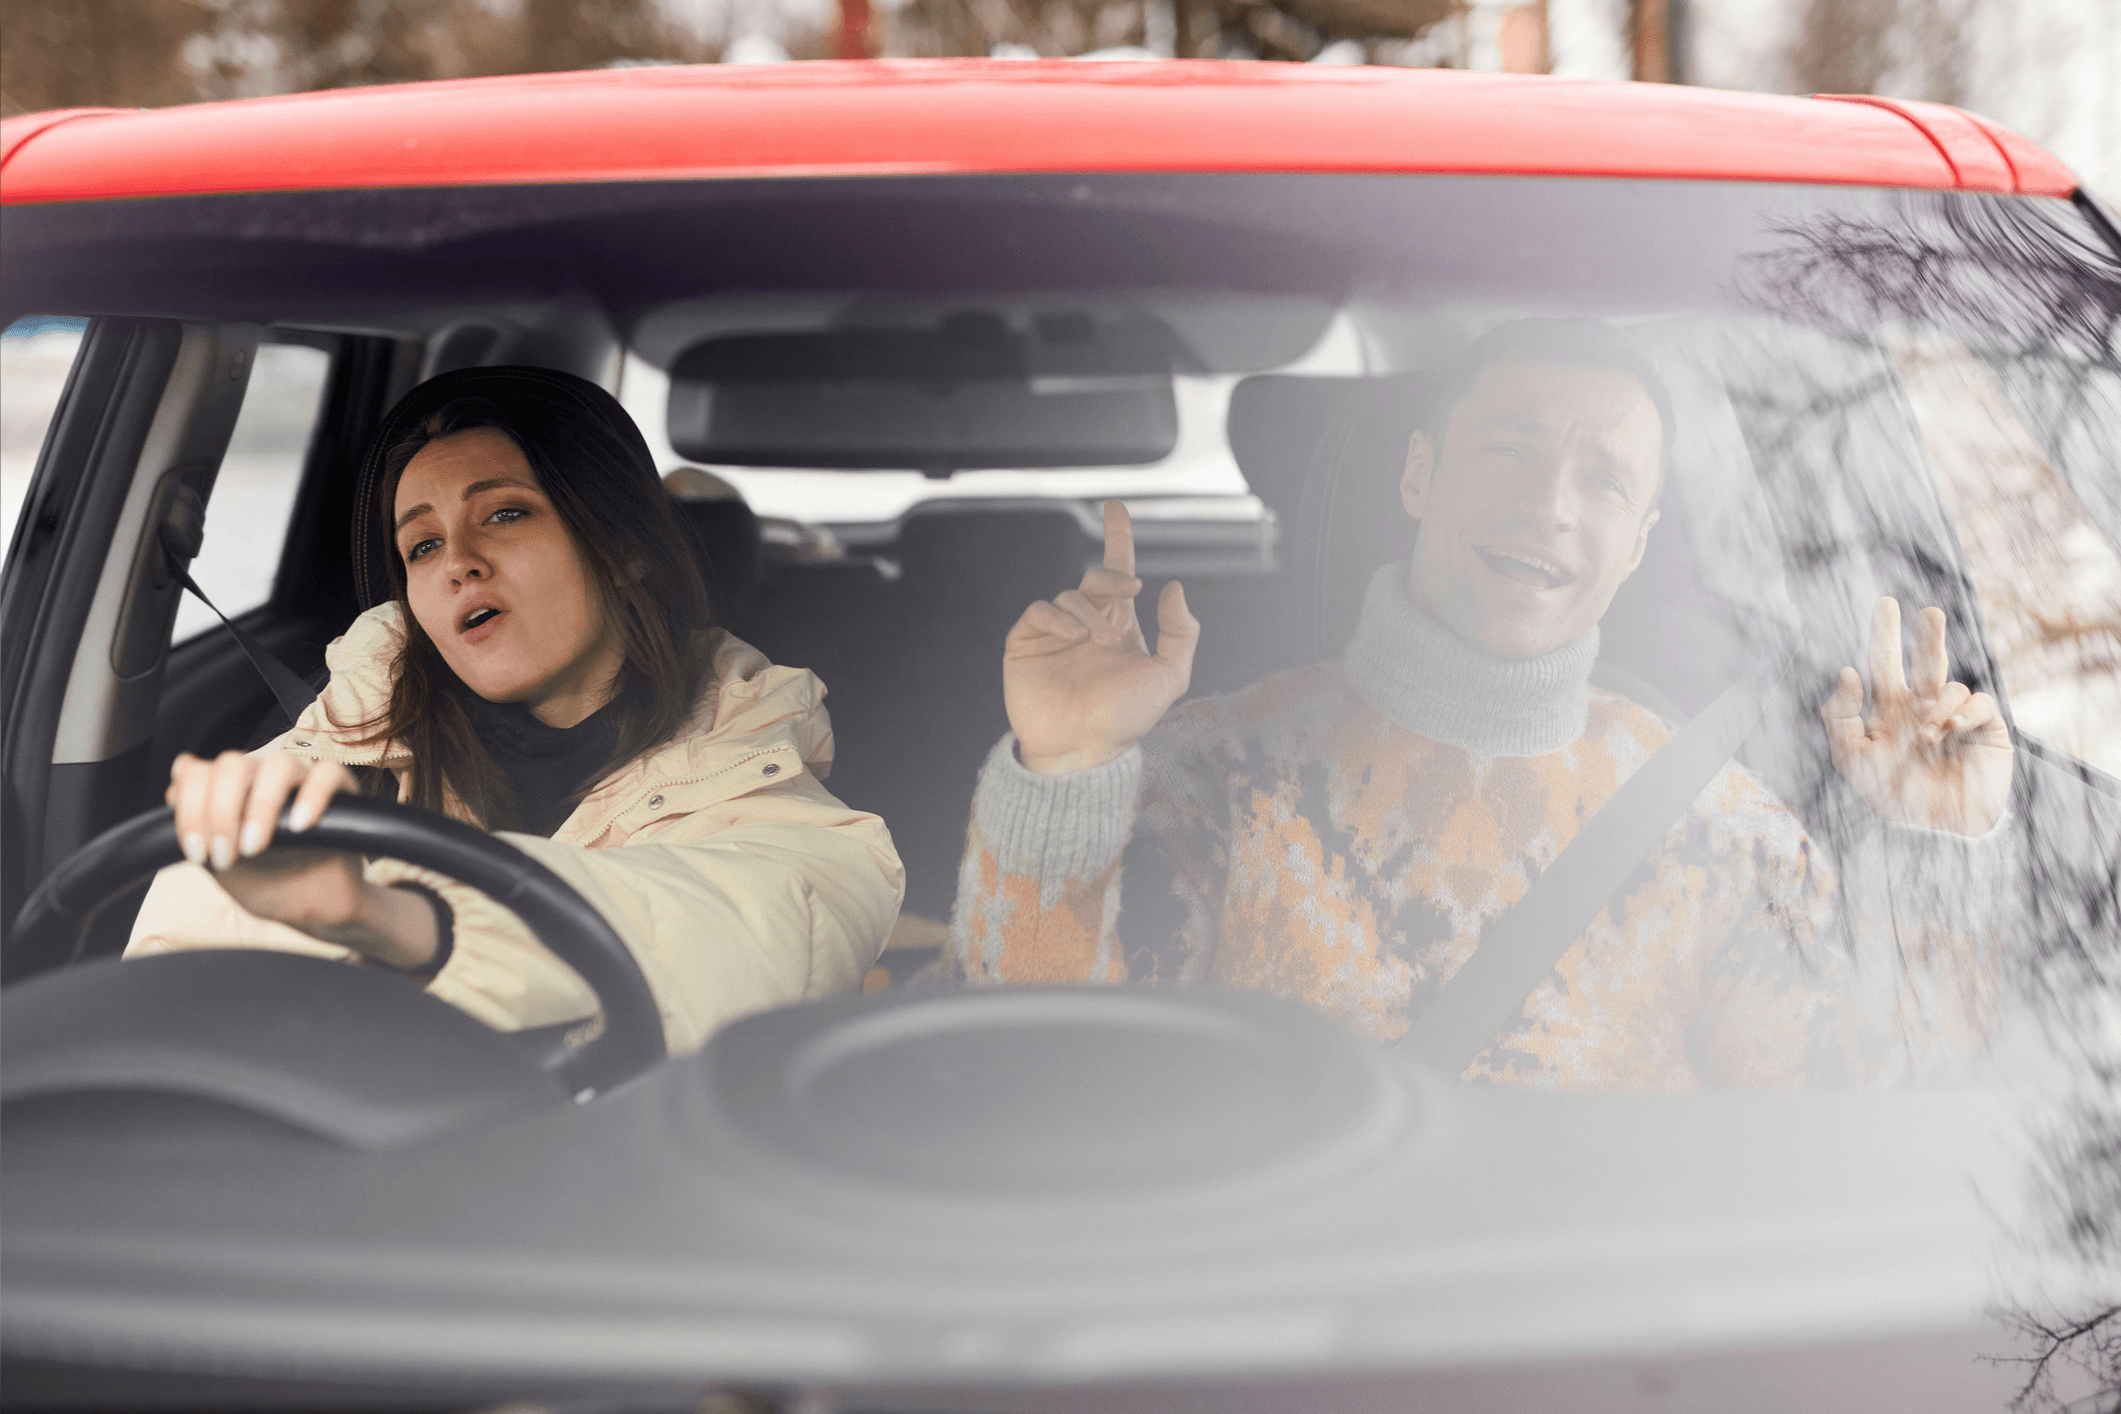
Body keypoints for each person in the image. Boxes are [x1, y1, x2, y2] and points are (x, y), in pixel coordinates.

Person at [945, 319, 2014, 1089]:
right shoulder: (1213, 774)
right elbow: (1033, 1084)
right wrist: (1068, 765)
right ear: (1420, 476)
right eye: (1510, 448)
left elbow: (1874, 1128)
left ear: (1638, 541)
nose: (1548, 506)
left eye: (1601, 481)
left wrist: (1935, 848)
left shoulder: (1727, 836)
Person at [127, 366, 904, 1054]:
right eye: (422, 546)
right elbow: (167, 1004)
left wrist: (394, 919)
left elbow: (769, 930)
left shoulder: (751, 760)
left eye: (503, 513)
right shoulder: (336, 746)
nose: (458, 560)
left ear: (621, 546)